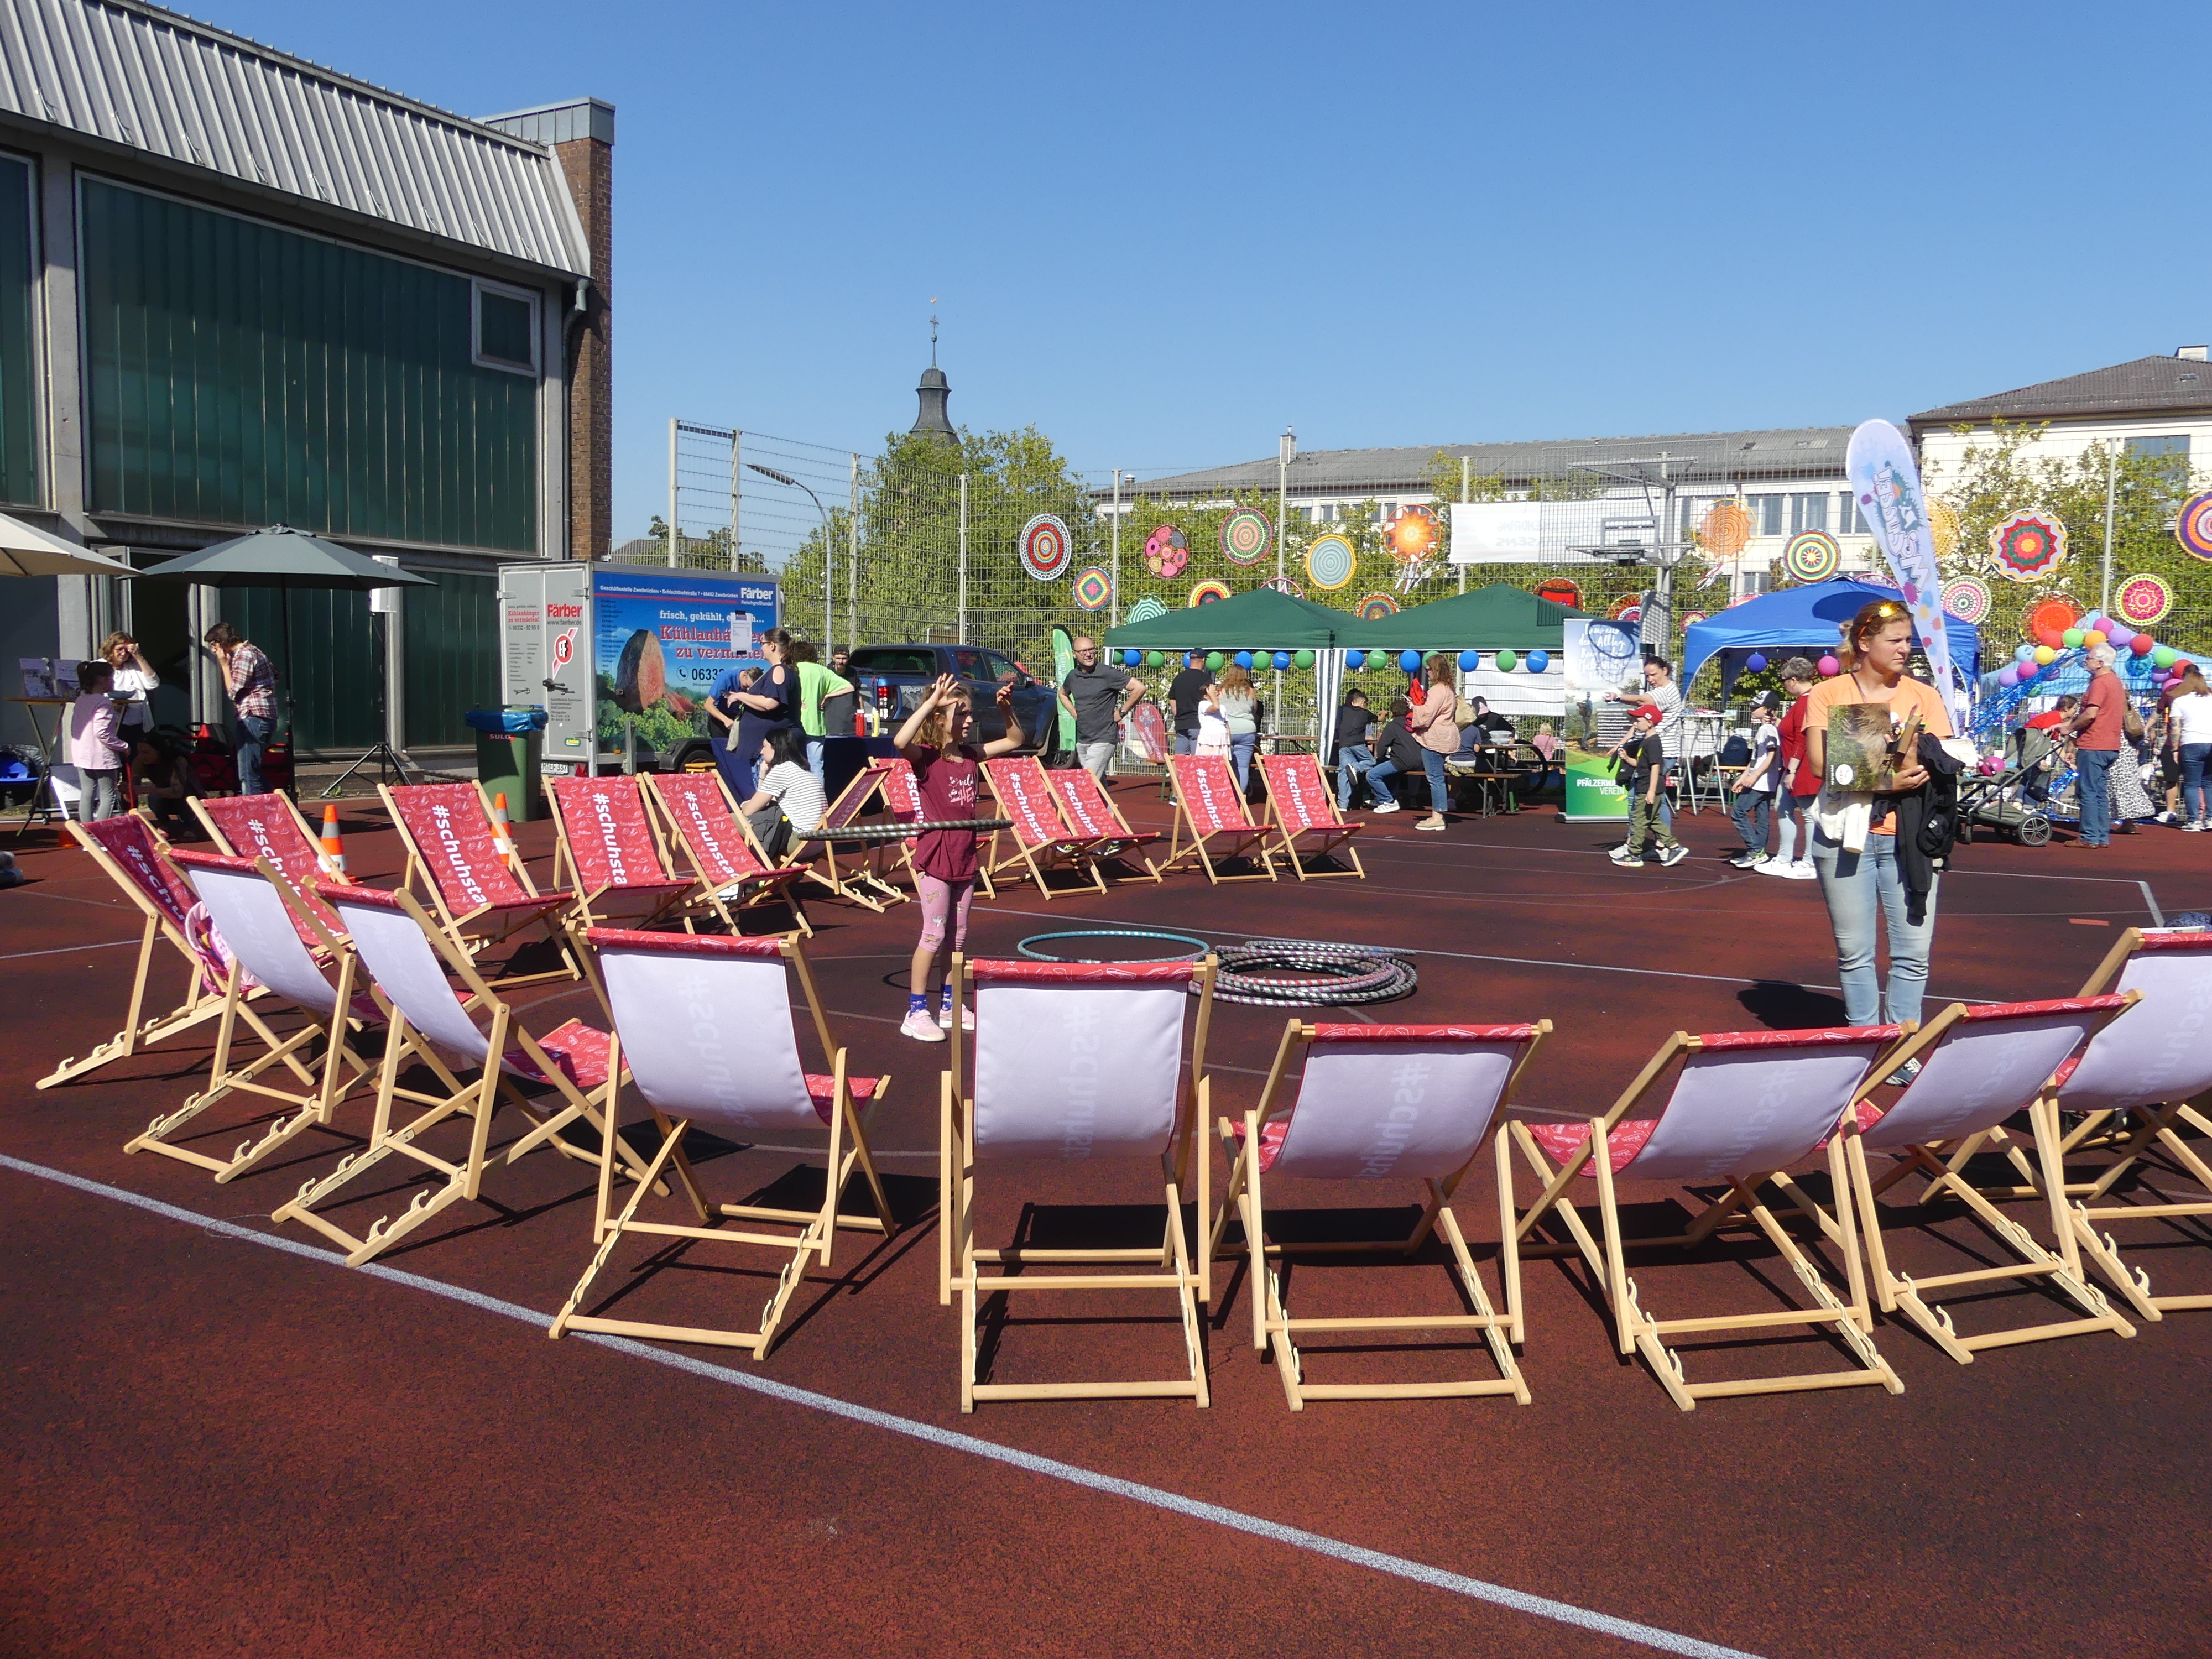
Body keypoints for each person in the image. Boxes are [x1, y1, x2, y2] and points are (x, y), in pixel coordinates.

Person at [1802, 599, 1954, 1030]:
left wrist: (1869, 753)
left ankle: (1902, 1047)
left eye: (1909, 640)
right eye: (1896, 640)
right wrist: (1887, 774)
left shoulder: (1924, 695)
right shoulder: (1828, 692)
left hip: (1910, 837)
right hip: (1843, 836)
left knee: (1913, 953)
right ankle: (1864, 1039)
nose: (1906, 648)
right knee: (1855, 953)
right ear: (1865, 642)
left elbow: (1933, 764)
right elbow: (1819, 763)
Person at [892, 672, 1025, 1042]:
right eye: (961, 713)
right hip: (935, 857)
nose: (969, 720)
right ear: (939, 718)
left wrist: (1007, 709)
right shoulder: (927, 759)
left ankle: (950, 1005)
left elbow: (1016, 739)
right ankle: (916, 1011)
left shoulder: (970, 755)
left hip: (964, 856)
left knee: (959, 937)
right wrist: (931, 704)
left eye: (970, 713)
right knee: (933, 936)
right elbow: (901, 740)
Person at [710, 628, 799, 802]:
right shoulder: (782, 670)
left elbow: (771, 703)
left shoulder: (779, 670)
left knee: (768, 797)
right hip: (767, 746)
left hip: (770, 747)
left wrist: (740, 696)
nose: (761, 648)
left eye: (762, 644)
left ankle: (768, 827)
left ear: (772, 646)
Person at [1377, 653, 1458, 832]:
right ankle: (1439, 814)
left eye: (1429, 669)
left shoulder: (1438, 690)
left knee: (1434, 778)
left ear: (1435, 670)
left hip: (1435, 738)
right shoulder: (1449, 690)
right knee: (1437, 778)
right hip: (1446, 736)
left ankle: (1437, 817)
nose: (1427, 673)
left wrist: (1414, 707)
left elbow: (1427, 714)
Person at [1761, 659, 1820, 880]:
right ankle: (1784, 858)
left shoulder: (1807, 701)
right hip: (1794, 766)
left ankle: (1810, 862)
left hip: (1803, 767)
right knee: (1783, 807)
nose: (1784, 685)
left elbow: (1803, 738)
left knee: (1809, 814)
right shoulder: (1802, 702)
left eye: (1785, 680)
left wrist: (1793, 770)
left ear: (1794, 680)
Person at [2062, 643, 2126, 849]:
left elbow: (2091, 714)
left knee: (2088, 791)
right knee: (2099, 791)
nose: (2085, 661)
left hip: (2095, 744)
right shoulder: (2116, 682)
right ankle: (2100, 836)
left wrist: (2069, 728)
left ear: (2099, 663)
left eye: (2088, 658)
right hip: (2110, 745)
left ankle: (2089, 836)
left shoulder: (2100, 683)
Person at [1058, 635, 1144, 783]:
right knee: (1098, 786)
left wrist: (1122, 712)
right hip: (1083, 740)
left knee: (1088, 781)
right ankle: (1106, 807)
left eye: (1092, 650)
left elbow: (1139, 688)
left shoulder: (1107, 673)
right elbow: (1062, 694)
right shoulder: (1073, 676)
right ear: (1075, 654)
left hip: (1104, 738)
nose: (1089, 654)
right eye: (1083, 651)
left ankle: (1077, 807)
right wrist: (1073, 712)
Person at [202, 620, 275, 796]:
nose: (213, 650)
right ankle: (276, 802)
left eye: (214, 645)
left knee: (247, 773)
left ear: (223, 642)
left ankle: (254, 813)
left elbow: (234, 691)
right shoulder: (254, 651)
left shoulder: (244, 655)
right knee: (252, 769)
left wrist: (224, 665)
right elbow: (275, 673)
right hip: (259, 715)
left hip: (253, 715)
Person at [734, 726, 826, 861]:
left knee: (729, 820)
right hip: (820, 842)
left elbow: (749, 811)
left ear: (775, 748)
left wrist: (743, 805)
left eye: (764, 746)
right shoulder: (804, 770)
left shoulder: (781, 771)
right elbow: (766, 801)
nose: (761, 751)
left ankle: (739, 872)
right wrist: (763, 774)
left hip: (799, 841)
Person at [1612, 702, 1686, 868]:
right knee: (1653, 821)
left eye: (1638, 720)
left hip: (1647, 787)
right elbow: (1640, 764)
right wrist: (1626, 758)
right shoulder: (1646, 741)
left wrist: (1651, 791)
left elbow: (1655, 766)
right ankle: (1674, 847)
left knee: (1639, 821)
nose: (1635, 723)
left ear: (1650, 722)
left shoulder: (1653, 742)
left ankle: (1634, 855)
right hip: (1645, 785)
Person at [66, 659, 129, 821]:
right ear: (102, 679)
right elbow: (102, 733)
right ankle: (102, 836)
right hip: (102, 756)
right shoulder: (104, 702)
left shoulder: (81, 699)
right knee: (108, 795)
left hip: (82, 754)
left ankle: (87, 835)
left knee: (87, 794)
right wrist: (123, 746)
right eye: (111, 678)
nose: (113, 682)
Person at [787, 640, 854, 785]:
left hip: (796, 724)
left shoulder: (793, 669)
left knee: (793, 766)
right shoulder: (822, 671)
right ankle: (819, 802)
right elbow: (849, 687)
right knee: (817, 767)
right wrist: (827, 695)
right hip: (817, 726)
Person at [1727, 696, 1781, 868]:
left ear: (1766, 709)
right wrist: (1743, 778)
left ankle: (1755, 850)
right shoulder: (1764, 729)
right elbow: (1755, 759)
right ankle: (1760, 853)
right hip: (1762, 781)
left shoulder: (1768, 730)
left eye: (1756, 707)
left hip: (1761, 782)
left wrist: (1754, 777)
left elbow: (1772, 755)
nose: (1752, 710)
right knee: (1762, 816)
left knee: (1738, 813)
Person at [2167, 664, 2212, 830]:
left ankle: (2194, 820)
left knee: (2192, 784)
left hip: (2191, 743)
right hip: (2211, 742)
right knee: (2209, 783)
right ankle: (2210, 818)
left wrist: (2175, 748)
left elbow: (2175, 727)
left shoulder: (2180, 701)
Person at [1363, 697, 1422, 814]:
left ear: (1392, 713)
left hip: (1402, 761)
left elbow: (1382, 745)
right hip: (1420, 760)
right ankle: (1383, 799)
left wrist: (1380, 759)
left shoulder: (1392, 726)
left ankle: (1388, 800)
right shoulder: (1413, 723)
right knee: (1390, 772)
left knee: (1372, 775)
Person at [101, 631, 159, 739]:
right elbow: (93, 693)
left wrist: (139, 657)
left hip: (136, 723)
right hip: (111, 723)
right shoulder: (100, 666)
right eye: (119, 649)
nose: (123, 654)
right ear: (110, 649)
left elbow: (153, 684)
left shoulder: (133, 667)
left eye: (127, 651)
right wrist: (112, 705)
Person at [132, 737, 194, 837]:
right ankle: (164, 823)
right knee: (154, 799)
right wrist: (128, 791)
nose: (142, 756)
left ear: (159, 751)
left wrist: (147, 790)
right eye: (139, 752)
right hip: (164, 795)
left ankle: (189, 824)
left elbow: (178, 792)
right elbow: (133, 790)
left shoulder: (178, 761)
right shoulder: (139, 762)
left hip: (187, 794)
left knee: (183, 796)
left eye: (146, 752)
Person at [1213, 662, 1259, 791]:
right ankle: (1240, 798)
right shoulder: (1250, 691)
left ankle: (1224, 795)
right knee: (1243, 767)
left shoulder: (1221, 691)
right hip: (1247, 730)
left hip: (1227, 730)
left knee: (1224, 765)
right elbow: (1254, 709)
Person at [1332, 688, 1375, 811]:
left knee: (1343, 772)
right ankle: (1356, 767)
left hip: (1344, 744)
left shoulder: (1343, 710)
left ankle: (1343, 804)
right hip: (1357, 744)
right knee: (1372, 762)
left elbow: (1339, 728)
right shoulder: (1364, 713)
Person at [1166, 653, 1212, 757]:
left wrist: (1178, 714)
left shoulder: (1179, 678)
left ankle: (1177, 774)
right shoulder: (1205, 679)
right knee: (1198, 762)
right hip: (1198, 724)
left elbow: (1172, 699)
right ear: (1203, 660)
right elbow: (1210, 699)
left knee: (1181, 761)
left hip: (1181, 724)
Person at [1193, 676, 1232, 761]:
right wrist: (1211, 694)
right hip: (1208, 739)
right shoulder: (1203, 704)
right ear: (1206, 696)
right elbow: (1216, 707)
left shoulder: (1223, 707)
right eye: (1213, 692)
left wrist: (1228, 741)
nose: (1216, 693)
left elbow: (1227, 726)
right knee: (1207, 763)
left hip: (1222, 740)